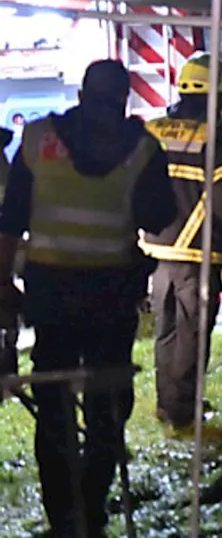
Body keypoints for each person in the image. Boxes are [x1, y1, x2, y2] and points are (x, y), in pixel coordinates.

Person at [0, 60, 177, 537]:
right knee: (106, 405)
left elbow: (9, 221)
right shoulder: (140, 147)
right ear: (124, 96)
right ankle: (92, 505)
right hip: (109, 297)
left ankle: (64, 517)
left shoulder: (37, 141)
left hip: (51, 295)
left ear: (81, 92)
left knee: (54, 405)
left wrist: (2, 285)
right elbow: (159, 216)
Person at [140, 53, 222, 430]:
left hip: (154, 251)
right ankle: (184, 409)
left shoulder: (153, 129)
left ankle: (168, 402)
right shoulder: (216, 135)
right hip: (196, 252)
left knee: (166, 331)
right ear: (216, 93)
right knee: (192, 331)